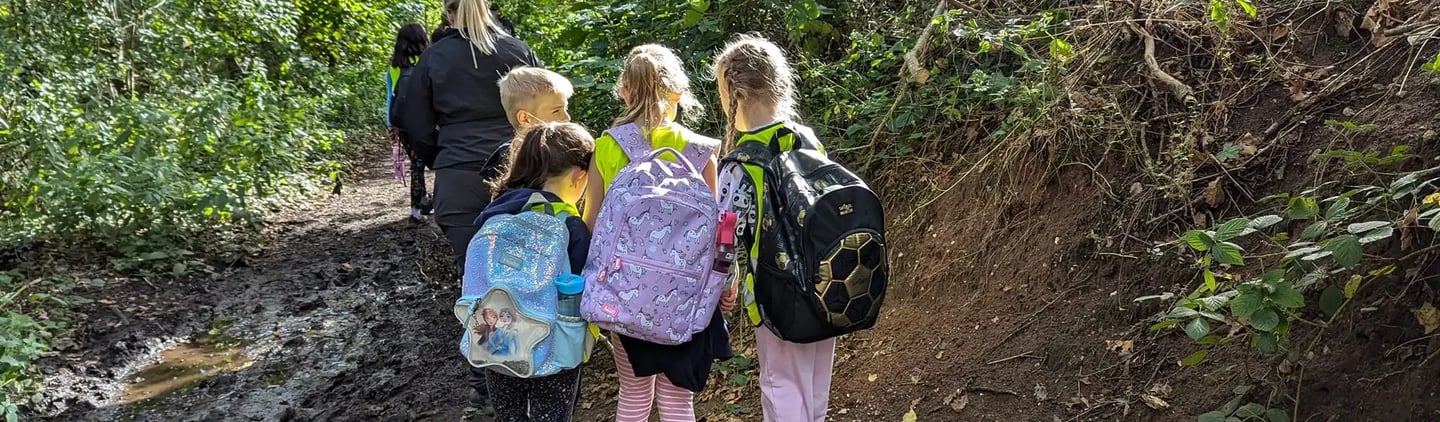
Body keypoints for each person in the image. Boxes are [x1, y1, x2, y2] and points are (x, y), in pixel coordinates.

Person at [395, 0, 539, 413]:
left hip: (459, 181)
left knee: (477, 280)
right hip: (516, 174)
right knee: (522, 275)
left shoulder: (433, 58)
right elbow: (543, 112)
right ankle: (530, 369)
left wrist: (444, 157)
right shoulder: (517, 50)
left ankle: (487, 385)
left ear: (447, 13)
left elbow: (414, 123)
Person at [580, 44, 732, 422]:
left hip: (623, 297)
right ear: (678, 93)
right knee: (678, 400)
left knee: (633, 393)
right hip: (685, 300)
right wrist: (724, 285)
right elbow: (716, 233)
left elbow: (591, 224)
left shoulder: (606, 147)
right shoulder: (700, 151)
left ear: (624, 92)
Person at [713, 35, 834, 422]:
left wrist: (723, 284)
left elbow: (725, 236)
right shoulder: (807, 138)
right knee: (815, 383)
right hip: (824, 281)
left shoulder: (739, 162)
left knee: (782, 384)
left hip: (774, 294)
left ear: (732, 93)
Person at [475, 122, 593, 422]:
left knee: (509, 417)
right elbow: (584, 288)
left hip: (496, 341)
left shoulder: (496, 213)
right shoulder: (570, 226)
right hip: (554, 348)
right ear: (579, 177)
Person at [385, 23, 432, 223]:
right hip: (423, 119)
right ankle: (418, 207)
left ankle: (420, 203)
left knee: (416, 163)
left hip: (402, 122)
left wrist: (390, 123)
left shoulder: (394, 66)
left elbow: (390, 96)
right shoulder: (428, 61)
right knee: (423, 162)